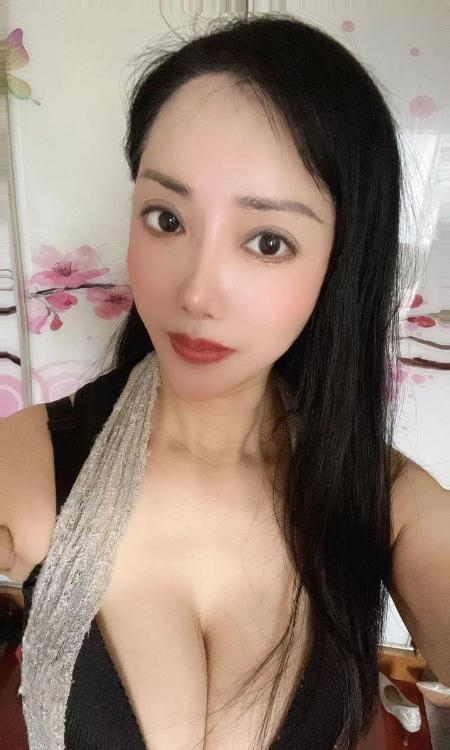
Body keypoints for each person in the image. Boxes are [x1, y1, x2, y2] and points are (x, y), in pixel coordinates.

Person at [1, 12, 449, 750]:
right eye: (165, 219)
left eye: (268, 241)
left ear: (339, 262)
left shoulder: (385, 501)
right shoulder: (39, 459)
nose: (196, 293)